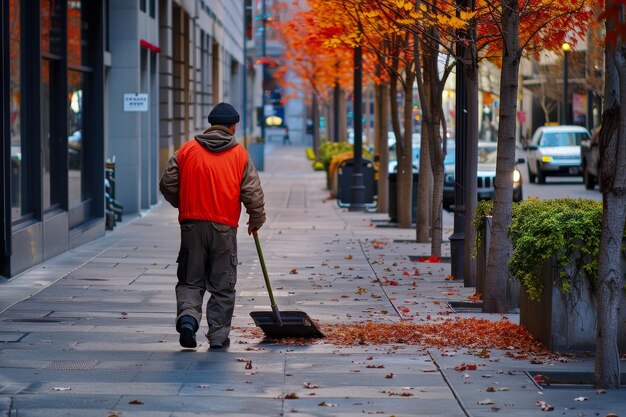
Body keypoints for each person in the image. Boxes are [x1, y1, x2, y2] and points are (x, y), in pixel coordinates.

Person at [159, 102, 266, 349]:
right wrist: (256, 219)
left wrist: (183, 204)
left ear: (210, 125)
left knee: (190, 279)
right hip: (224, 228)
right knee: (222, 285)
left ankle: (188, 320)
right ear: (233, 127)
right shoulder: (240, 155)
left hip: (191, 226)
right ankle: (218, 336)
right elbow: (253, 193)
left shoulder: (186, 150)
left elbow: (167, 183)